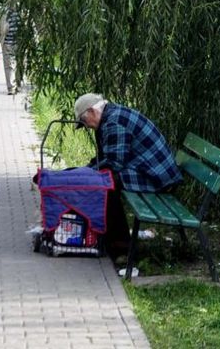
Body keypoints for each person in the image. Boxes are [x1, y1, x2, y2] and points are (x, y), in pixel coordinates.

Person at [75, 93, 182, 252]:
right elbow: (107, 157)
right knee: (106, 180)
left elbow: (114, 163)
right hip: (151, 170)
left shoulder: (113, 123)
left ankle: (121, 245)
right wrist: (87, 169)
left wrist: (87, 173)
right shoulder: (111, 115)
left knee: (107, 184)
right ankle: (115, 239)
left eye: (84, 122)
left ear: (92, 111)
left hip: (157, 178)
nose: (87, 127)